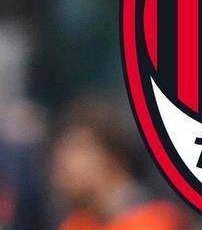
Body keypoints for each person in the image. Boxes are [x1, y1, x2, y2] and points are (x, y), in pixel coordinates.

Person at [51, 96, 189, 230]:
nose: (64, 161)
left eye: (78, 149)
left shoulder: (158, 221)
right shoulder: (77, 223)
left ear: (113, 158)